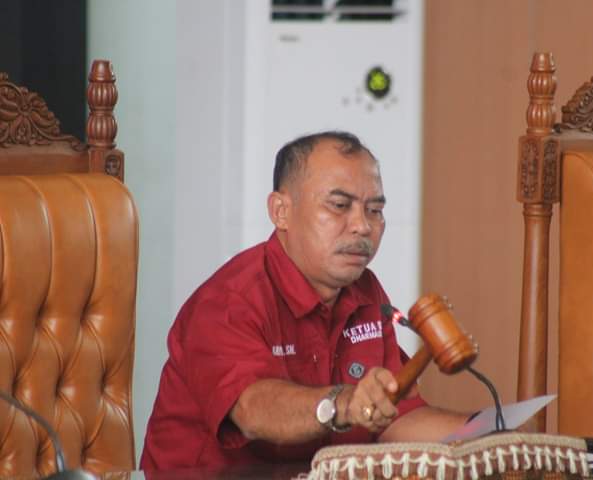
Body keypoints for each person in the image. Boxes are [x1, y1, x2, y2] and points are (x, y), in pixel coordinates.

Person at [140, 131, 469, 470]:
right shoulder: (228, 301)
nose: (362, 226)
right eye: (339, 206)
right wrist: (343, 403)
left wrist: (491, 432)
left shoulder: (365, 291)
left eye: (374, 210)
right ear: (280, 211)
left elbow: (397, 419)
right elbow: (253, 410)